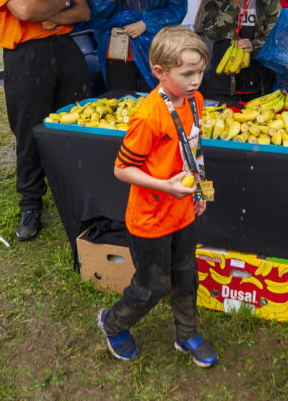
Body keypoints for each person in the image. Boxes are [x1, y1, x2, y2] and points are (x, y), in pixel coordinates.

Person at [97, 25, 215, 366]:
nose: (196, 80)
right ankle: (113, 322)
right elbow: (121, 170)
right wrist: (167, 187)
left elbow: (195, 147)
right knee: (153, 285)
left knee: (185, 275)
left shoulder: (195, 100)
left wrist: (202, 189)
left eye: (201, 72)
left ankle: (186, 334)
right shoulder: (148, 116)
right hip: (151, 217)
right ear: (160, 72)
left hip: (184, 211)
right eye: (188, 73)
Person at [0, 0, 92, 241]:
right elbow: (25, 11)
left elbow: (84, 12)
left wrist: (55, 11)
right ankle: (31, 204)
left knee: (77, 119)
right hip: (26, 55)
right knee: (29, 129)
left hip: (64, 48)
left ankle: (78, 191)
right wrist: (62, 2)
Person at [200, 0, 280, 103]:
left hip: (258, 82)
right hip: (222, 81)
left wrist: (255, 45)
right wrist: (233, 5)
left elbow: (275, 39)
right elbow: (210, 32)